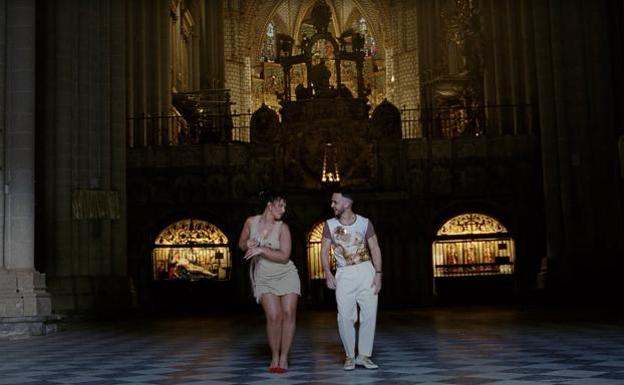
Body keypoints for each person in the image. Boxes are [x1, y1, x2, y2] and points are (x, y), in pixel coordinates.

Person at [238, 191, 301, 373]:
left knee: (288, 313)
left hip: (286, 274)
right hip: (263, 276)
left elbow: (284, 256)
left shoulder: (283, 228)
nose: (283, 209)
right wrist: (248, 243)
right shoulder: (251, 222)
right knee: (274, 316)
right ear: (269, 205)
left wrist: (261, 250)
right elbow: (241, 244)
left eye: (285, 206)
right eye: (280, 205)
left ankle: (283, 357)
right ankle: (274, 356)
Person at [321, 188, 382, 370]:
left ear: (347, 203)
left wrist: (378, 274)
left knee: (369, 314)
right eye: (332, 202)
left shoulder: (364, 223)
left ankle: (363, 356)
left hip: (366, 270)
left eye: (335, 202)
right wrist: (327, 273)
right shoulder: (330, 225)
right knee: (345, 317)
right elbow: (324, 251)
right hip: (344, 273)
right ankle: (349, 356)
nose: (332, 205)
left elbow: (375, 248)